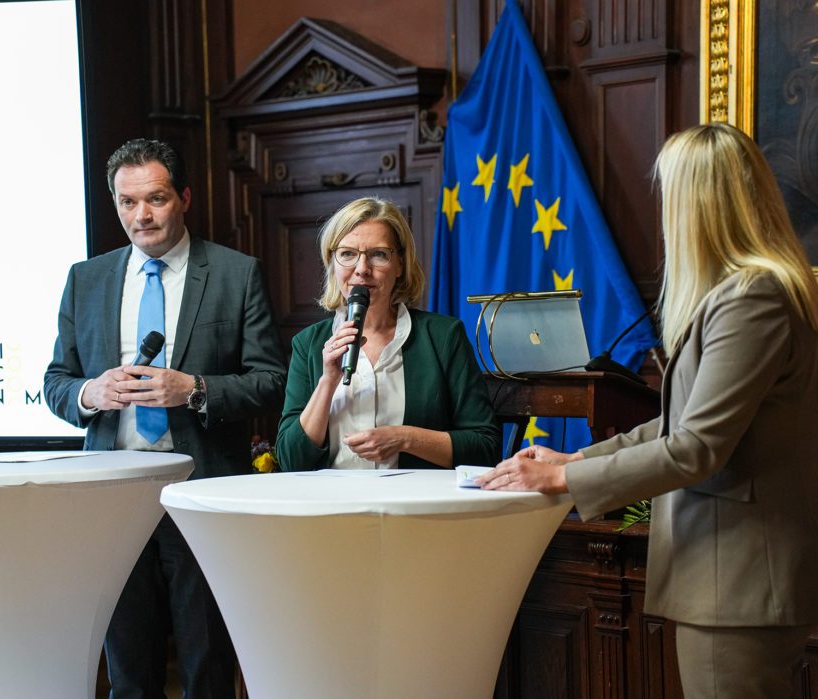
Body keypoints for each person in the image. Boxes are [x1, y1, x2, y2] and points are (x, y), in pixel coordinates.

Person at [478, 123, 818, 698]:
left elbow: (696, 448)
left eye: (670, 194)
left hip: (741, 574)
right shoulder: (744, 291)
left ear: (700, 202)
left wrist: (563, 481)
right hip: (735, 570)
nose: (665, 213)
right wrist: (576, 458)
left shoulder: (751, 297)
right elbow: (680, 422)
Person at [43, 138, 286, 698]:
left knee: (207, 668)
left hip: (201, 491)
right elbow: (56, 382)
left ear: (184, 198)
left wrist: (193, 389)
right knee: (129, 673)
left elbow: (270, 381)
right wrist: (91, 392)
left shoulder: (235, 273)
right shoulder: (86, 279)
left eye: (155, 199)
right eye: (127, 202)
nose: (141, 216)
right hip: (112, 499)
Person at [276, 196, 500, 470]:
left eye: (378, 254)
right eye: (347, 254)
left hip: (415, 497)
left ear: (400, 264)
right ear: (332, 263)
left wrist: (404, 438)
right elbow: (290, 462)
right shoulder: (308, 344)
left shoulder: (443, 336)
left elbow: (485, 448)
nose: (362, 269)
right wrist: (327, 381)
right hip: (332, 497)